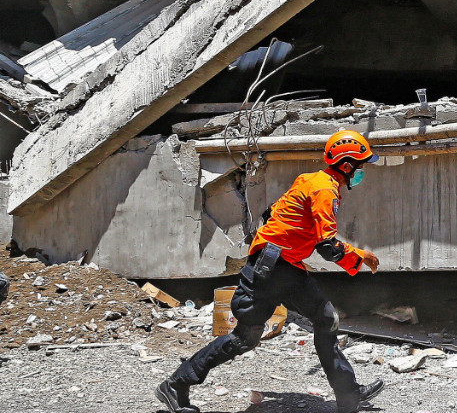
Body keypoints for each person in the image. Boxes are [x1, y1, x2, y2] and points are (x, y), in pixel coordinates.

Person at [156, 130, 385, 413]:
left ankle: (349, 396)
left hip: (283, 266)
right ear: (347, 166)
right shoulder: (324, 190)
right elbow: (327, 246)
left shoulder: (312, 180)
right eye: (361, 166)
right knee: (245, 337)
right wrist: (360, 256)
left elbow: (273, 212)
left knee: (325, 319)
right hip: (272, 269)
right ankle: (176, 383)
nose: (362, 172)